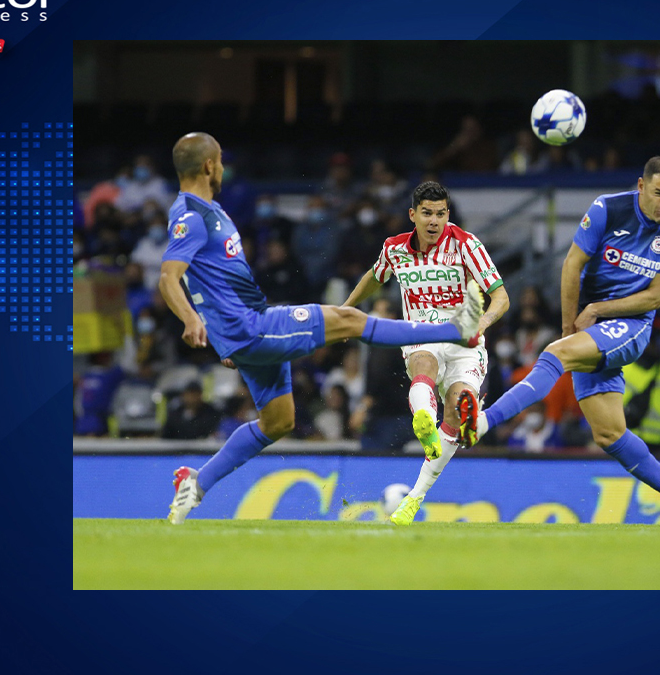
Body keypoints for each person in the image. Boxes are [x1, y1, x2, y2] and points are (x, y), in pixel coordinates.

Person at [161, 133, 484, 525]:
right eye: (221, 161)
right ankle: (456, 330)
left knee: (278, 421)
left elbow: (215, 281)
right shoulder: (192, 216)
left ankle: (195, 483)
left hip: (245, 329)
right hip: (251, 329)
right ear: (210, 166)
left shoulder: (210, 211)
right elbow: (169, 276)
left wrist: (224, 339)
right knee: (348, 318)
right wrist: (195, 321)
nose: (224, 167)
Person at [455, 156, 660, 530]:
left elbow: (655, 297)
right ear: (641, 186)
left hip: (631, 326)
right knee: (608, 434)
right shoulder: (607, 209)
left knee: (553, 356)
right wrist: (568, 327)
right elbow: (572, 265)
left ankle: (481, 422)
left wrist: (596, 311)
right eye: (659, 193)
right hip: (591, 328)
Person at [341, 181, 510, 525]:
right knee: (423, 365)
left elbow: (501, 297)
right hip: (422, 332)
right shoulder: (394, 249)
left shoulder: (466, 245)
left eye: (441, 213)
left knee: (458, 408)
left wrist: (484, 323)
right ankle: (425, 424)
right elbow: (375, 278)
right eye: (428, 214)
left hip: (465, 341)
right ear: (412, 215)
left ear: (448, 214)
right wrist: (345, 309)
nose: (435, 221)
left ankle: (414, 497)